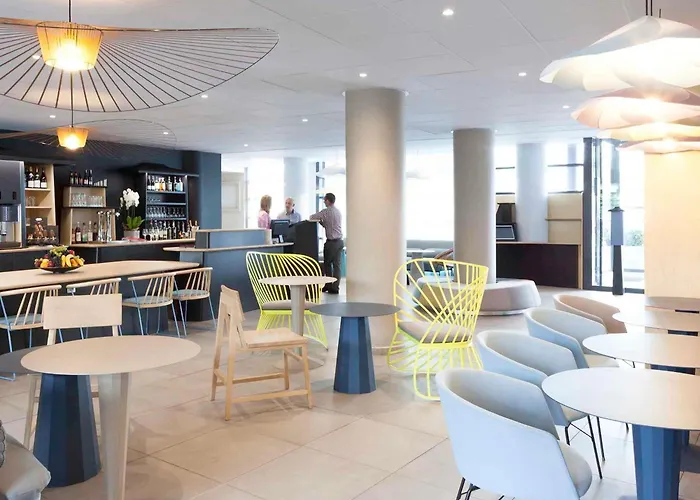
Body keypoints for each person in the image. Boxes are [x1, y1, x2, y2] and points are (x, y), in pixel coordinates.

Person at [309, 193, 343, 294]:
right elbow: (331, 226)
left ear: (328, 200)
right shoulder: (338, 212)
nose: (324, 202)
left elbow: (312, 217)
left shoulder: (326, 212)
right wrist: (322, 223)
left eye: (324, 200)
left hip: (331, 242)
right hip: (339, 242)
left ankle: (328, 285)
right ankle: (335, 287)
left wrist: (319, 220)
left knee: (327, 264)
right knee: (337, 266)